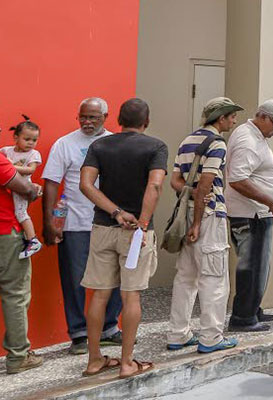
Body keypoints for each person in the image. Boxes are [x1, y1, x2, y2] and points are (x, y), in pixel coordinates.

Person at [80, 98, 167, 378]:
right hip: (137, 232)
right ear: (147, 121)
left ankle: (94, 360)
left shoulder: (99, 145)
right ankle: (127, 362)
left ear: (117, 119)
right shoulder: (156, 147)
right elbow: (155, 185)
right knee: (131, 296)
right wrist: (140, 223)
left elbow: (85, 184)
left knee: (99, 295)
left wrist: (116, 212)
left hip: (103, 227)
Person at [41, 97, 123, 355]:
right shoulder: (65, 144)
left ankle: (109, 328)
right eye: (83, 117)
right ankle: (78, 334)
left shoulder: (114, 144)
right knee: (74, 280)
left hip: (109, 222)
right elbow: (52, 183)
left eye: (93, 118)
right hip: (75, 223)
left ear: (105, 117)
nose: (87, 122)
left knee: (116, 277)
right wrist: (49, 222)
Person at [167, 97, 244, 353]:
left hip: (188, 212)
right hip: (209, 216)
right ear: (220, 118)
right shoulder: (218, 143)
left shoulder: (187, 140)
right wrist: (198, 222)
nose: (234, 120)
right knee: (214, 279)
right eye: (232, 116)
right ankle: (211, 337)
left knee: (185, 277)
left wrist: (191, 195)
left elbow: (176, 180)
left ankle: (178, 333)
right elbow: (207, 183)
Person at [225, 99, 273, 332]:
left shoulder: (254, 135)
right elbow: (237, 179)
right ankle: (243, 317)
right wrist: (270, 201)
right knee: (252, 265)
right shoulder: (247, 140)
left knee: (259, 264)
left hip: (256, 211)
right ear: (262, 117)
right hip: (249, 213)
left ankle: (252, 308)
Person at [0, 151, 43, 374]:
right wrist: (33, 191)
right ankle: (18, 356)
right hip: (5, 232)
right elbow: (24, 189)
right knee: (15, 294)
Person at [1, 115, 42, 259]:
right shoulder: (6, 151)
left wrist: (10, 167)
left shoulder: (33, 154)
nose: (31, 143)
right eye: (27, 139)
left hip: (21, 188)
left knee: (21, 213)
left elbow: (31, 170)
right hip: (11, 187)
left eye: (34, 140)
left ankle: (33, 240)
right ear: (16, 137)